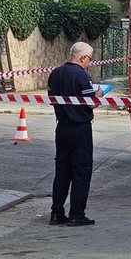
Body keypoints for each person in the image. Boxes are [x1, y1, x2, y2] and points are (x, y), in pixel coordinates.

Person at [48, 42, 104, 227]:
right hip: (79, 129)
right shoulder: (81, 75)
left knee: (62, 171)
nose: (90, 62)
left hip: (61, 127)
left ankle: (56, 213)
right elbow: (91, 103)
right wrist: (99, 93)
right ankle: (77, 214)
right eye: (90, 58)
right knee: (81, 171)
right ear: (83, 58)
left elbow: (51, 99)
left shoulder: (55, 73)